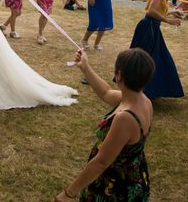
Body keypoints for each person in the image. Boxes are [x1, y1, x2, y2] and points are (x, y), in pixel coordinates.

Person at [54, 48, 154, 202]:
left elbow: (101, 162)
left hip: (116, 185)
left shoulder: (125, 118)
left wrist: (69, 193)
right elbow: (106, 93)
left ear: (118, 75)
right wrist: (85, 67)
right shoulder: (142, 100)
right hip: (133, 173)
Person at [129, 0, 184, 99]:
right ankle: (142, 88)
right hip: (149, 27)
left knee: (157, 57)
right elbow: (150, 11)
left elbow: (157, 10)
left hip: (153, 27)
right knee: (148, 57)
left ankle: (150, 88)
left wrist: (171, 12)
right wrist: (168, 21)